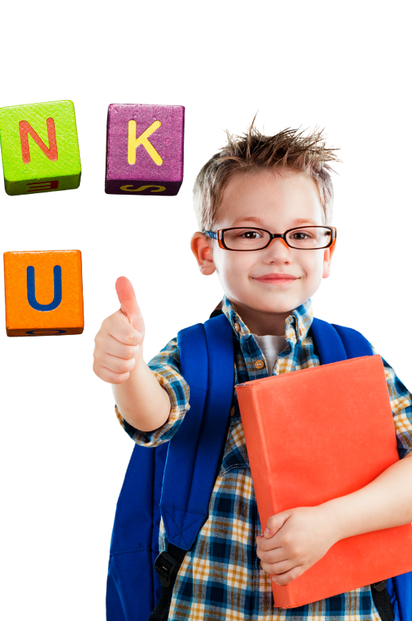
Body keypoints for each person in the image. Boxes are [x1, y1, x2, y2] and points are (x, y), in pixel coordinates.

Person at [93, 124, 412, 620]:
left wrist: (331, 523)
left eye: (302, 234)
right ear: (206, 252)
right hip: (208, 604)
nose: (279, 250)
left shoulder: (354, 356)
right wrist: (126, 370)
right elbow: (154, 415)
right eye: (248, 233)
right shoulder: (195, 351)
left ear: (326, 253)